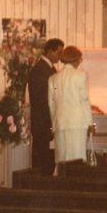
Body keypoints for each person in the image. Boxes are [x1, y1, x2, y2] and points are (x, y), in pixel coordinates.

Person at [48, 46, 94, 174]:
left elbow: (51, 105)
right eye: (80, 59)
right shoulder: (81, 75)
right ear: (76, 59)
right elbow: (84, 101)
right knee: (77, 159)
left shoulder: (53, 78)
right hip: (77, 123)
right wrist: (90, 123)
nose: (80, 61)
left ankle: (60, 186)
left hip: (60, 123)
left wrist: (54, 124)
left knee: (61, 159)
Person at [28, 38, 64, 175]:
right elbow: (42, 100)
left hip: (46, 123)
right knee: (42, 164)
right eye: (58, 53)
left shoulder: (48, 68)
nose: (60, 57)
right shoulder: (40, 70)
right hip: (42, 123)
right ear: (49, 51)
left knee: (47, 162)